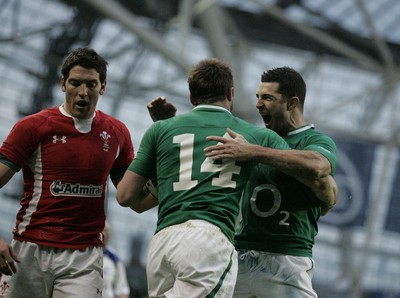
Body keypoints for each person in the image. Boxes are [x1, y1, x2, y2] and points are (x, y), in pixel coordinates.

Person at [116, 58, 291, 298]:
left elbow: (125, 196)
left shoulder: (161, 129)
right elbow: (300, 167)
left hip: (163, 242)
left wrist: (167, 170)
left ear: (191, 96)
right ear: (231, 93)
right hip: (209, 240)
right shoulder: (254, 135)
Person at [0, 47, 134, 298]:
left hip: (84, 257)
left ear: (103, 86)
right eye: (76, 83)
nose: (83, 92)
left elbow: (133, 200)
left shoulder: (117, 133)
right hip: (29, 250)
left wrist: (161, 150)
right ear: (63, 84)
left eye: (91, 85)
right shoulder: (33, 127)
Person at [204, 67, 338, 297]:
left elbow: (317, 166)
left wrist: (254, 152)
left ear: (292, 103)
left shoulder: (313, 140)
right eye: (257, 97)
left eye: (267, 98)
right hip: (241, 253)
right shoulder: (253, 137)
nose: (258, 104)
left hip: (287, 257)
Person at [102, 221, 130, 298]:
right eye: (102, 230)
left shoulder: (115, 258)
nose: (104, 234)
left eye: (106, 230)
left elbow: (122, 290)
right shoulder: (85, 253)